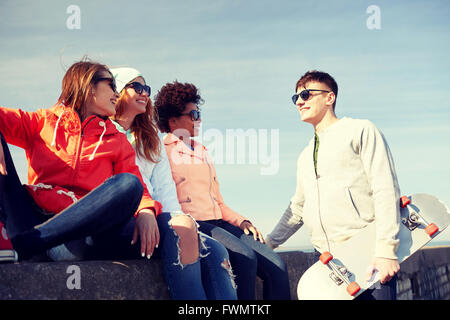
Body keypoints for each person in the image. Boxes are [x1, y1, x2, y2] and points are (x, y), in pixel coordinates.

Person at [0, 59, 161, 264]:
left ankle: (30, 244)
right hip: (29, 218)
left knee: (129, 184)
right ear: (89, 87)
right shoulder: (42, 122)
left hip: (79, 236)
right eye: (111, 85)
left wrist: (146, 209)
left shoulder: (117, 140)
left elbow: (137, 186)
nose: (116, 93)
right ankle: (24, 241)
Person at [266, 70, 401, 300]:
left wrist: (386, 250)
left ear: (330, 98)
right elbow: (298, 207)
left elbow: (385, 189)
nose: (299, 101)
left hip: (367, 253)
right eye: (296, 98)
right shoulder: (305, 155)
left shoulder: (360, 130)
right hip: (326, 264)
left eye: (306, 95)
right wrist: (268, 242)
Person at [154, 81, 291, 300]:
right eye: (193, 114)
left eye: (198, 114)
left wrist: (242, 221)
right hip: (196, 224)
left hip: (221, 223)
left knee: (277, 267)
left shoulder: (203, 151)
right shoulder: (163, 151)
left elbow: (218, 202)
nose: (198, 119)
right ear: (172, 120)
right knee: (245, 259)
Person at [109, 66, 237, 299]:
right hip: (127, 219)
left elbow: (165, 189)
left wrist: (177, 219)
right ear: (117, 92)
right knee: (186, 235)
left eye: (146, 88)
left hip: (158, 217)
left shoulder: (150, 139)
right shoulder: (107, 133)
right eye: (136, 86)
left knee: (216, 251)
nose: (145, 92)